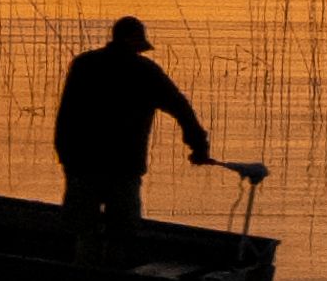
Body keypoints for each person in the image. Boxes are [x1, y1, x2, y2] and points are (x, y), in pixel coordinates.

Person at [52, 14, 220, 237]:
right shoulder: (146, 72)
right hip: (123, 166)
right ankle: (116, 267)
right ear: (133, 42)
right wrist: (199, 147)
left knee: (81, 233)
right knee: (123, 234)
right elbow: (182, 109)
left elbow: (65, 116)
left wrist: (65, 156)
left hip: (82, 164)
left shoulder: (84, 64)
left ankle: (84, 267)